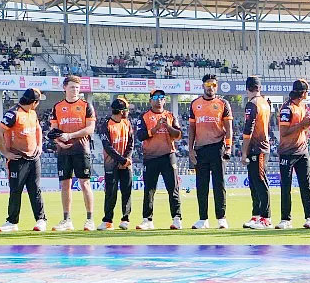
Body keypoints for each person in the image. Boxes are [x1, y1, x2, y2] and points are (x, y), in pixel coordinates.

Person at [48, 75, 97, 232]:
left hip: (81, 149)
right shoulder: (57, 107)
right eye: (71, 87)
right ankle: (66, 219)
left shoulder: (86, 105)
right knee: (65, 184)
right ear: (64, 88)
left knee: (85, 183)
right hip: (63, 151)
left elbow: (90, 128)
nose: (75, 90)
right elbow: (53, 130)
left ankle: (90, 220)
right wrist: (58, 141)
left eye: (77, 87)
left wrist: (70, 136)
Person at [0, 88, 48, 232]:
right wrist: (5, 153)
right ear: (34, 102)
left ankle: (41, 220)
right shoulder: (13, 114)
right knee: (16, 191)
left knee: (35, 190)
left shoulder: (32, 113)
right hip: (17, 158)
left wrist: (39, 145)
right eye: (37, 102)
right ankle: (12, 222)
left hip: (34, 158)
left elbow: (38, 129)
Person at [187, 73, 233, 230]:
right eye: (208, 85)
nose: (211, 88)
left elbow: (228, 128)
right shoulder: (195, 104)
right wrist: (190, 149)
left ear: (216, 86)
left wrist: (228, 146)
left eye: (213, 85)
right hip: (200, 149)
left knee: (219, 184)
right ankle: (203, 219)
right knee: (202, 185)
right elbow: (192, 128)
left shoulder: (222, 103)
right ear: (203, 86)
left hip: (217, 147)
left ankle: (221, 218)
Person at [141, 89, 185, 230]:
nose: (158, 99)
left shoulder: (171, 115)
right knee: (149, 189)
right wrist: (156, 127)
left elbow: (178, 135)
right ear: (150, 100)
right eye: (155, 97)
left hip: (168, 155)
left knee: (173, 188)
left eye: (161, 97)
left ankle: (177, 218)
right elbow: (141, 136)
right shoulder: (145, 116)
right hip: (151, 156)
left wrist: (167, 126)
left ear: (165, 100)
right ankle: (147, 220)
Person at [276, 79, 310, 228]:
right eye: (306, 91)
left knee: (306, 184)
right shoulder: (287, 108)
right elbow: (284, 132)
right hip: (287, 152)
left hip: (302, 150)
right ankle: (286, 219)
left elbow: (304, 128)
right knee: (286, 186)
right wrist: (301, 125)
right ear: (302, 92)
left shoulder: (303, 106)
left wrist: (305, 127)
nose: (308, 94)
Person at [238, 77, 271, 230]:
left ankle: (265, 218)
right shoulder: (264, 102)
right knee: (254, 182)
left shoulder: (252, 104)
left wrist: (243, 153)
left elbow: (248, 130)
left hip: (258, 148)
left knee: (259, 181)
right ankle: (256, 215)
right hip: (261, 147)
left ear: (247, 89)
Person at [99, 97, 134, 230]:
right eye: (126, 110)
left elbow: (131, 142)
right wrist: (122, 160)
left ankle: (125, 219)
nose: (127, 112)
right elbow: (107, 146)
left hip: (126, 164)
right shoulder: (106, 125)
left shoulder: (127, 123)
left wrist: (126, 159)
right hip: (111, 164)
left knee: (126, 191)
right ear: (120, 111)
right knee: (110, 192)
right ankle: (108, 220)